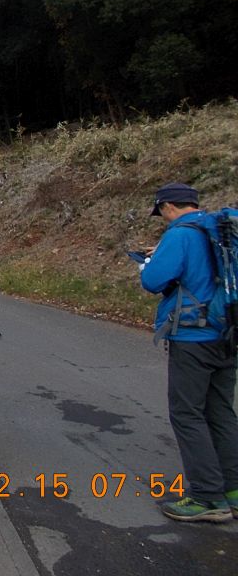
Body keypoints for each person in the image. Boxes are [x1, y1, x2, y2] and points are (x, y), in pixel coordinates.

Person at [140, 181, 238, 523]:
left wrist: (149, 261)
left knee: (187, 414)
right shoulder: (222, 231)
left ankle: (207, 496)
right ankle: (234, 490)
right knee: (221, 411)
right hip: (228, 332)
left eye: (161, 212)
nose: (162, 217)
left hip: (193, 336)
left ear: (167, 207)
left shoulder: (179, 235)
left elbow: (153, 280)